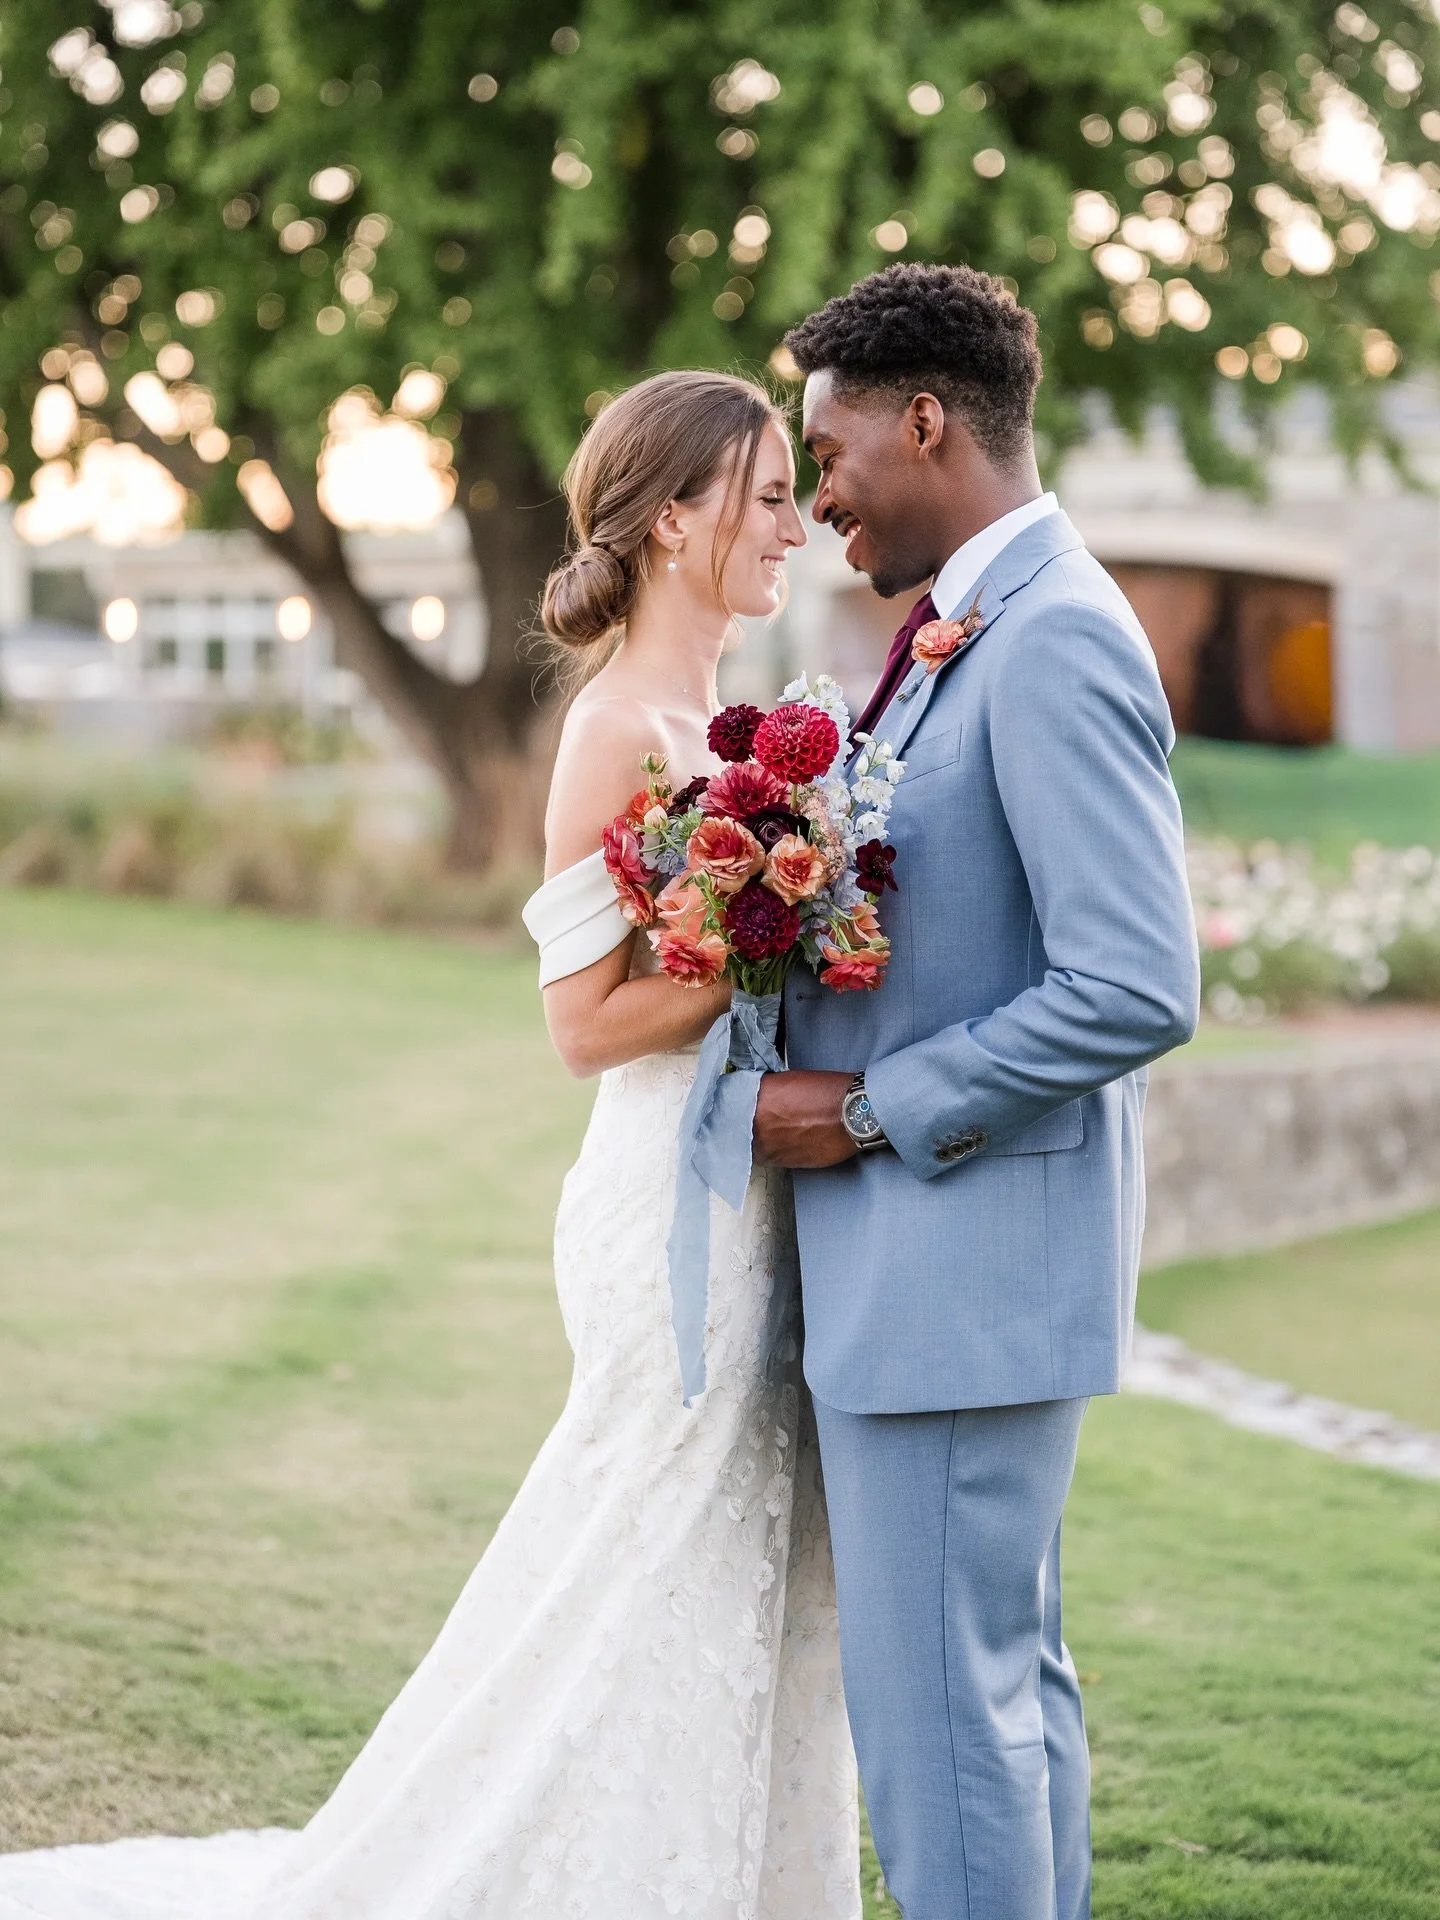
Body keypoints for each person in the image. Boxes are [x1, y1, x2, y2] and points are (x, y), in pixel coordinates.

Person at [0, 371, 860, 1918]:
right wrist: (765, 937)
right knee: (645, 1565)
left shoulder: (736, 740)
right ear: (676, 520)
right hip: (669, 1215)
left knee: (742, 1564)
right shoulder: (615, 730)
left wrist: (803, 910)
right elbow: (583, 1025)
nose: (797, 526)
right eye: (769, 496)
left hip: (754, 1197)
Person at [753, 263, 1201, 1920]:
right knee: (999, 1700)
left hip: (958, 1279)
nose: (819, 497)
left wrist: (864, 1109)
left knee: (945, 1727)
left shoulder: (1056, 636)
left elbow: (1135, 983)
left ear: (927, 421)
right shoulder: (980, 626)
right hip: (954, 1286)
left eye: (830, 452)